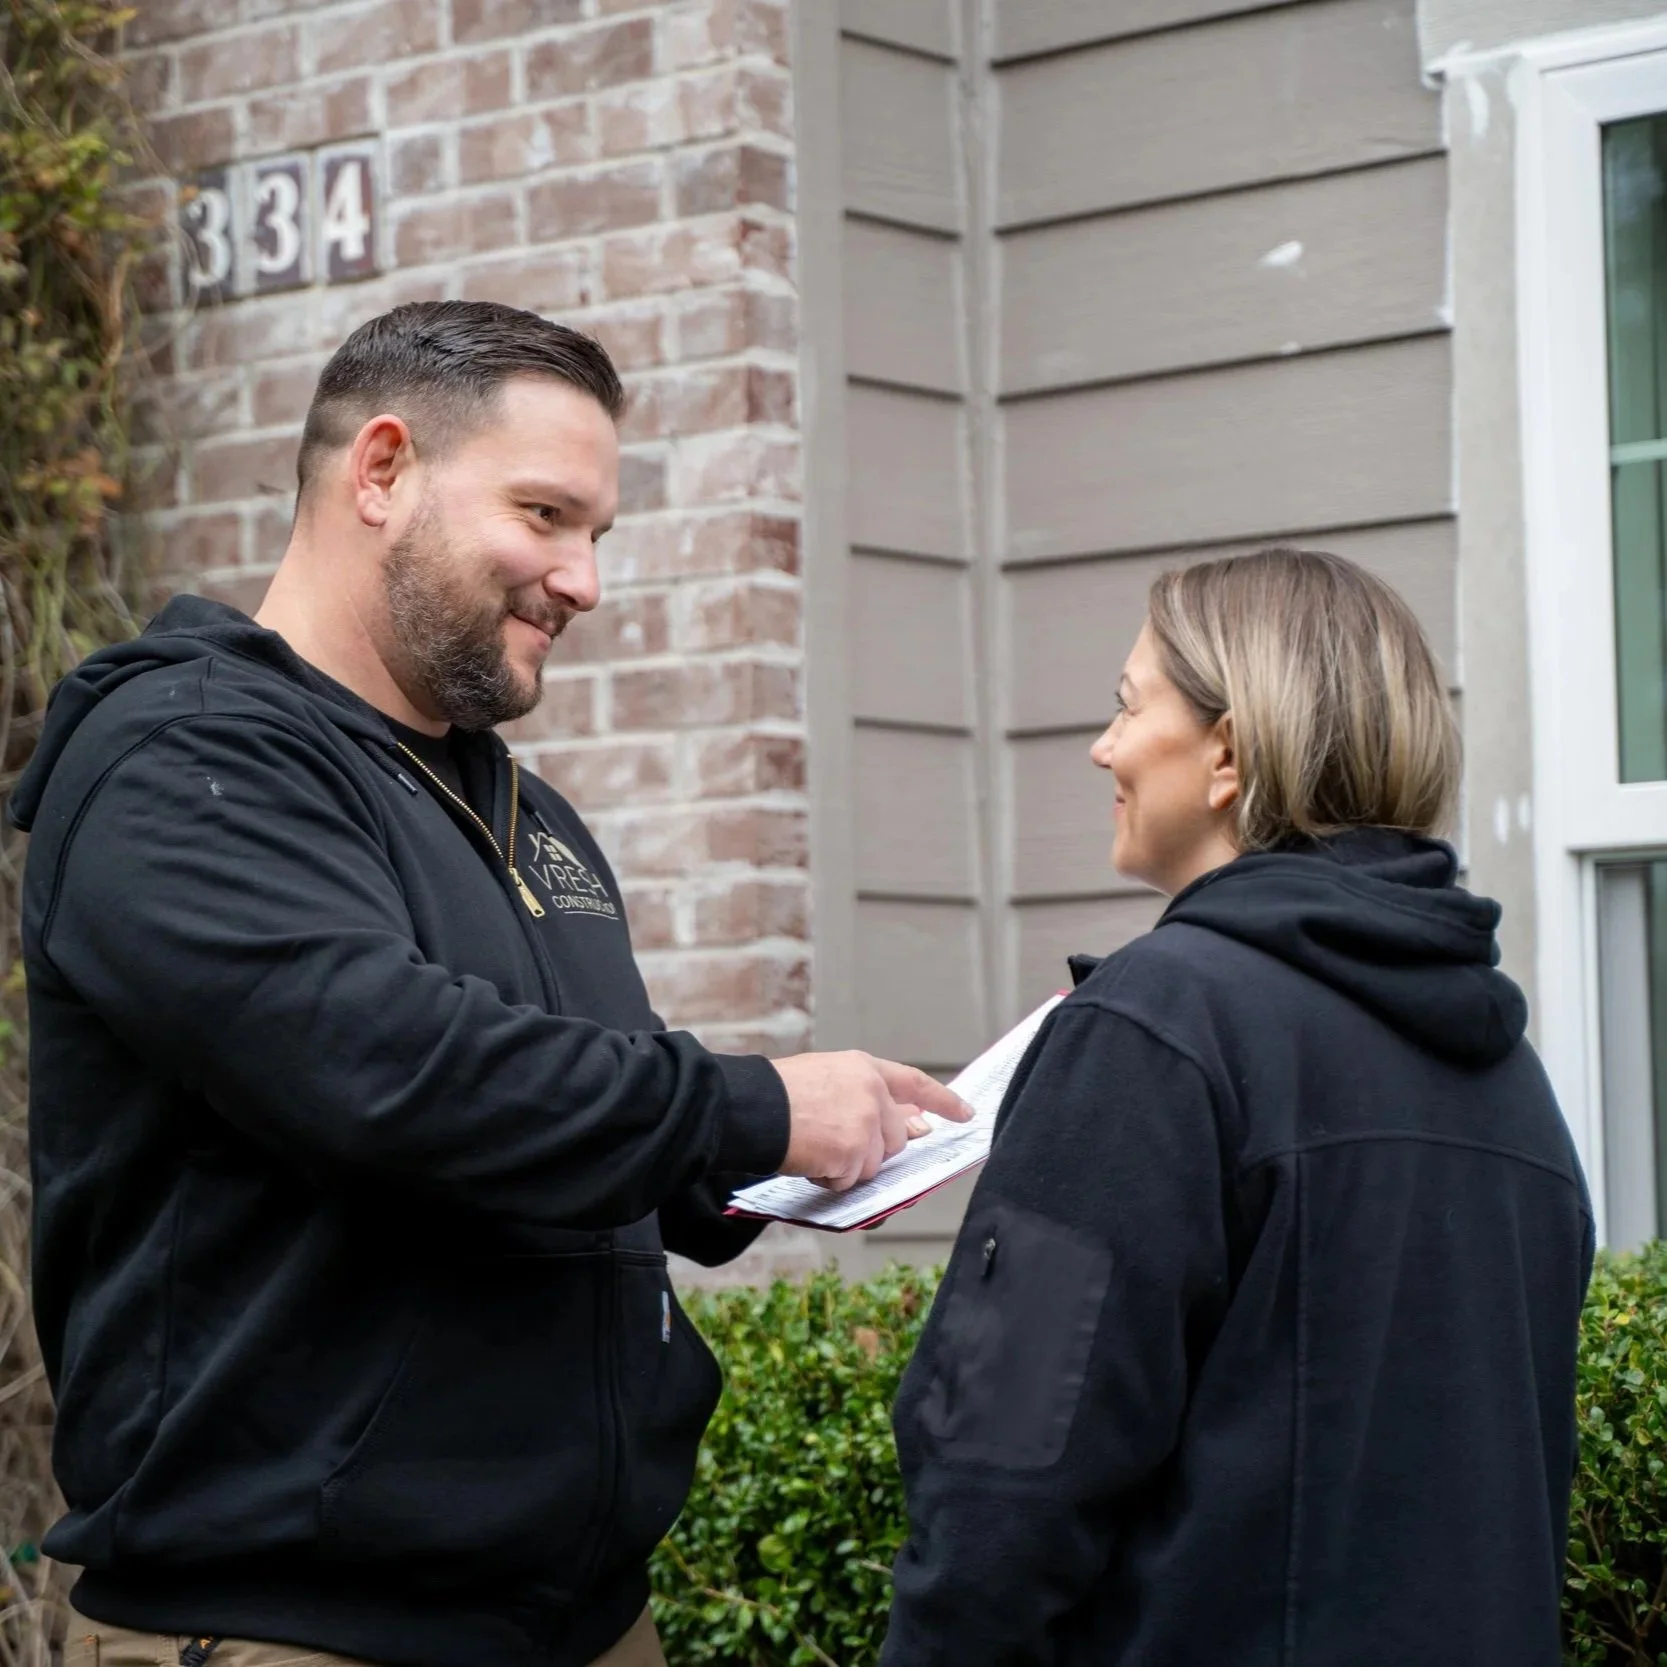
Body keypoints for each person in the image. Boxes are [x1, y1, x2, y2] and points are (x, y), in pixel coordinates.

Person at [11, 300, 968, 1667]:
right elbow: (391, 1070)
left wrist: (794, 1162)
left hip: (582, 1620)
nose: (580, 580)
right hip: (294, 1628)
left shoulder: (532, 819)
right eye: (543, 514)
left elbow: (567, 1119)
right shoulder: (183, 765)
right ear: (382, 472)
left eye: (598, 536)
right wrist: (751, 1105)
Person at [880, 548, 1593, 1667]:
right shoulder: (1504, 1067)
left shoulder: (1152, 1025)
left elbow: (1000, 1465)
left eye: (1124, 707)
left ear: (1226, 749)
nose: (1100, 746)